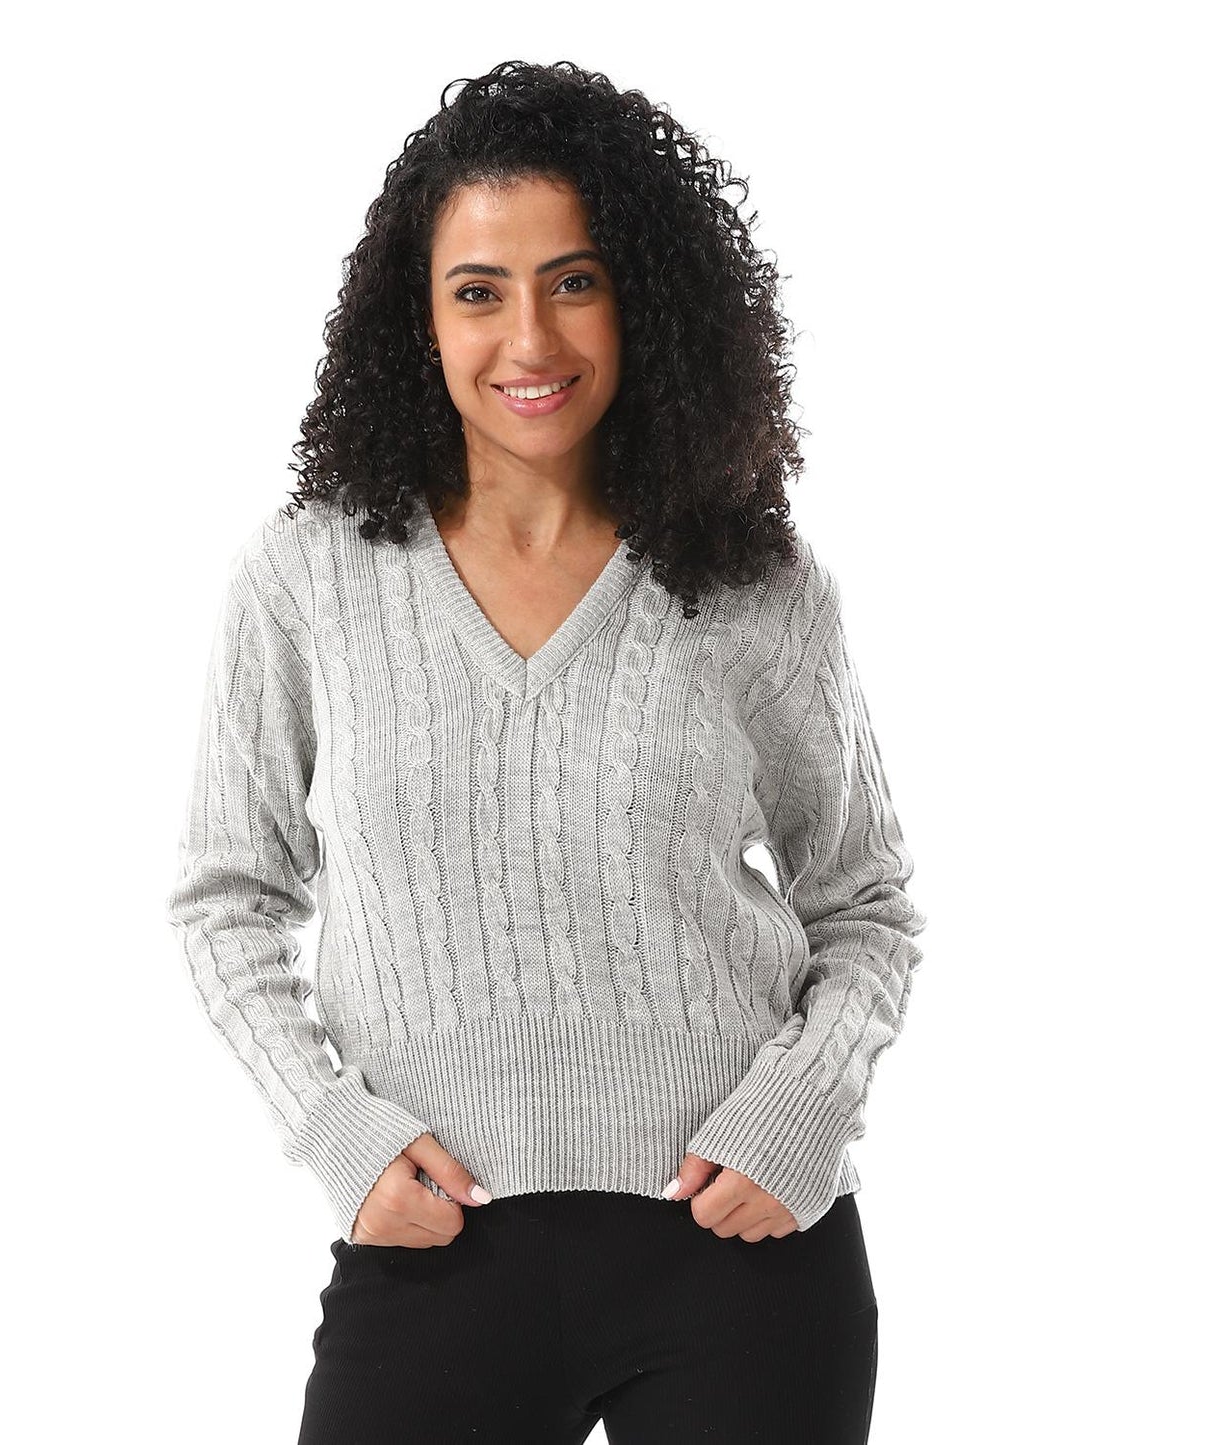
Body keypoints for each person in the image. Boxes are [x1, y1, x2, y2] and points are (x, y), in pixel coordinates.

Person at [165, 58, 927, 1445]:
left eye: (575, 281)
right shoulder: (306, 577)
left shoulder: (754, 584)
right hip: (430, 1251)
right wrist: (333, 1130)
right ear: (418, 318)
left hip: (743, 1257)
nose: (530, 338)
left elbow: (864, 903)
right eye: (479, 290)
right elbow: (228, 897)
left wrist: (799, 1114)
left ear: (645, 299)